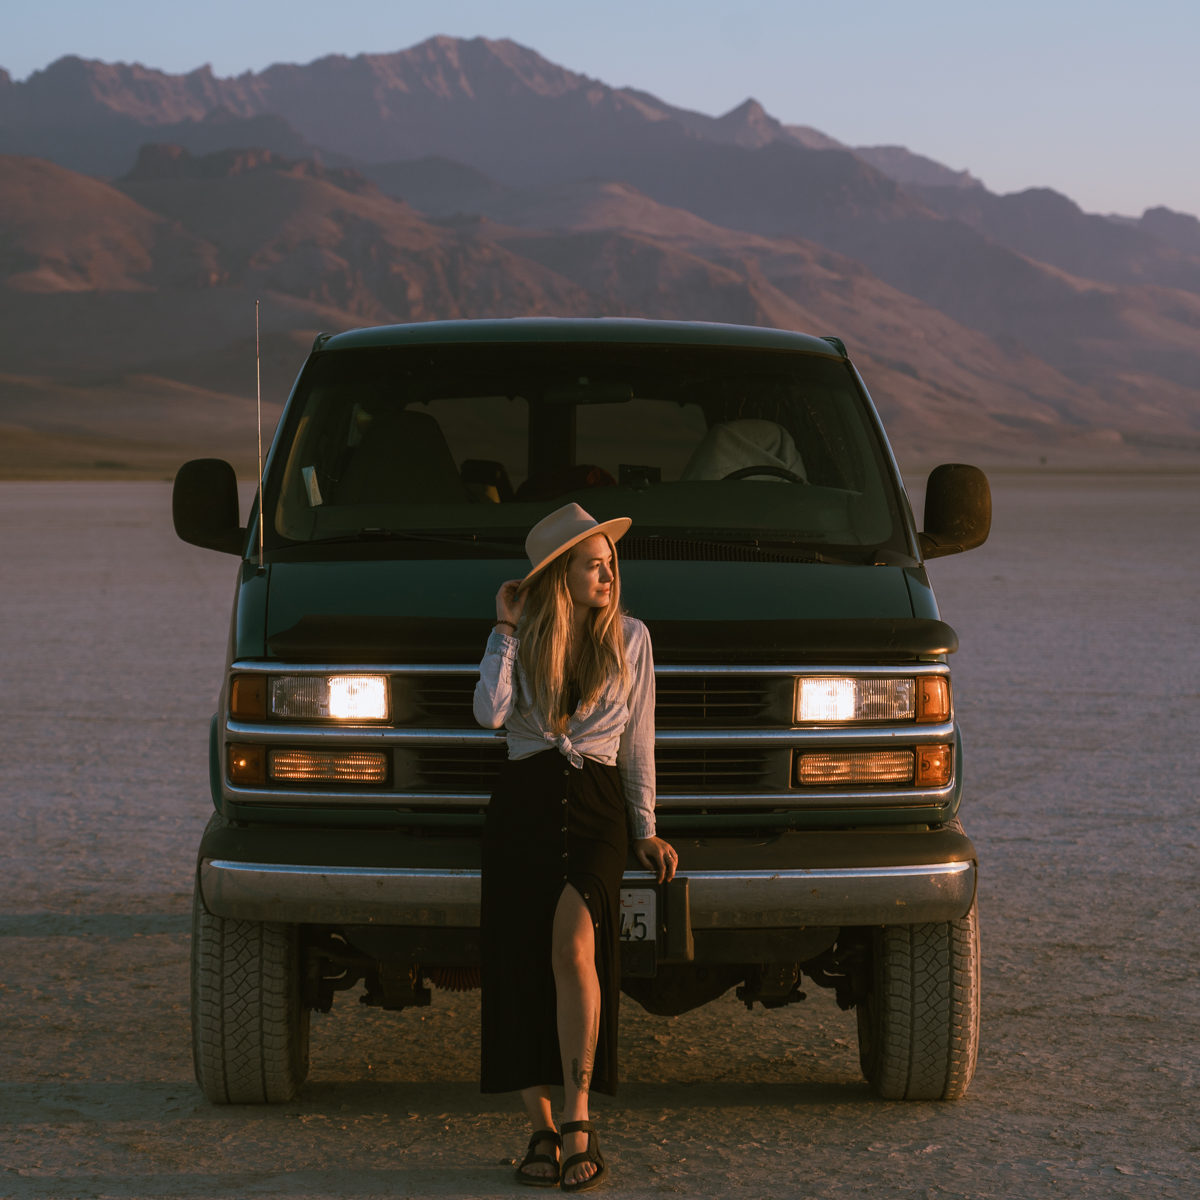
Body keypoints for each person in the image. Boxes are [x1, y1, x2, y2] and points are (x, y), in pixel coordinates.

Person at [473, 502, 677, 1191]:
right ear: (563, 574)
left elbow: (639, 743)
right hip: (523, 806)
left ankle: (579, 1115)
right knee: (521, 962)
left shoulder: (633, 638)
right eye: (595, 565)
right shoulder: (523, 634)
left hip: (595, 809)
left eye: (612, 564)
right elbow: (489, 712)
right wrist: (505, 627)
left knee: (573, 947)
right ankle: (539, 1126)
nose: (609, 574)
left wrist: (644, 829)